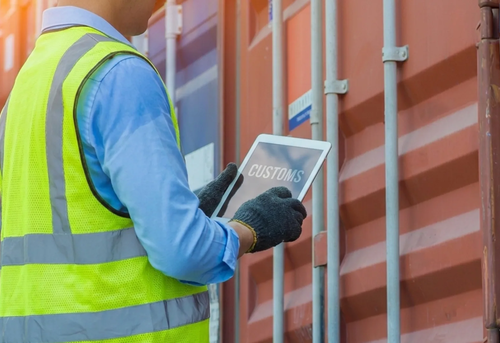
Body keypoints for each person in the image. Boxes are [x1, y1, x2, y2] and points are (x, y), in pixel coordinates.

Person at [0, 0, 307, 342]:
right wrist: (249, 228)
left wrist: (179, 214)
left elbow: (67, 228)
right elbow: (183, 252)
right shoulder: (118, 73)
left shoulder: (24, 90)